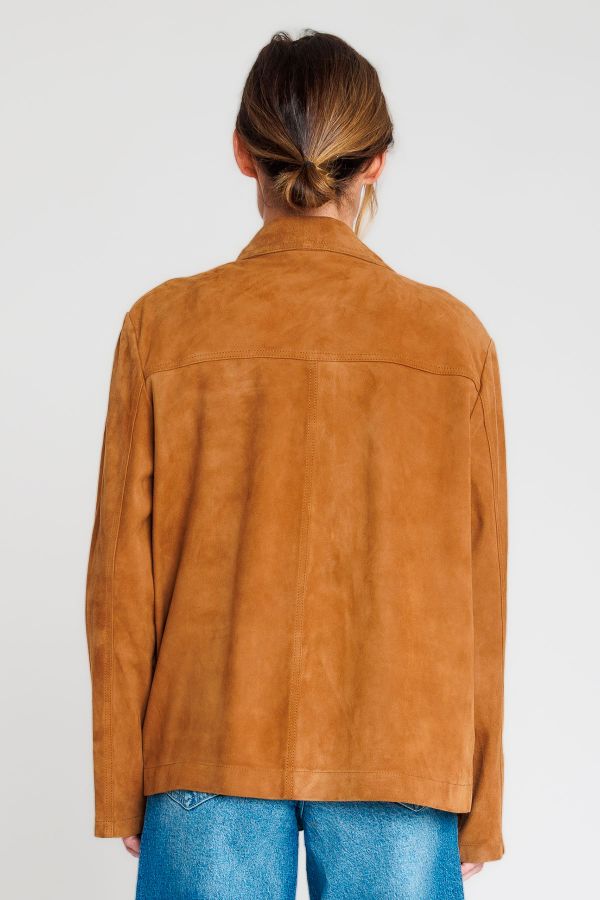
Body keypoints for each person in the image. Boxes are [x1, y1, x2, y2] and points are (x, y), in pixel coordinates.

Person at [85, 29, 508, 900]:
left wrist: (123, 777)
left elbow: (120, 586)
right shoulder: (451, 340)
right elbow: (481, 588)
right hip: (403, 753)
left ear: (243, 153)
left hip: (205, 743)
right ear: (377, 162)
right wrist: (483, 802)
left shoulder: (163, 328)